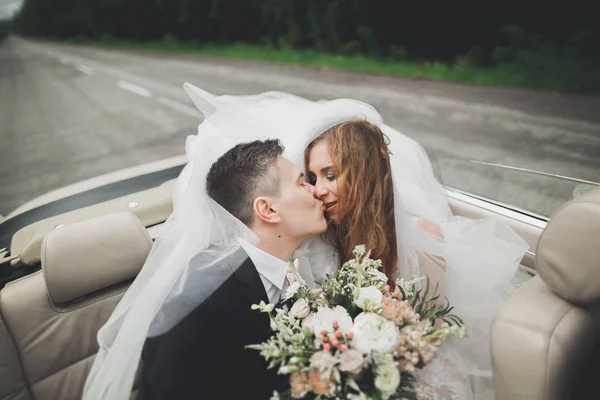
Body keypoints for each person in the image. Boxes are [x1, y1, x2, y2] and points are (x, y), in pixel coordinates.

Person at [83, 84, 529, 399]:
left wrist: (378, 363)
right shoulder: (302, 255)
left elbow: (431, 335)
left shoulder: (408, 242)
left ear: (368, 170)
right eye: (309, 179)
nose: (318, 190)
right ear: (267, 210)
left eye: (329, 175)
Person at [137, 139, 327, 399]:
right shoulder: (199, 304)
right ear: (268, 209)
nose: (316, 191)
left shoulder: (281, 271)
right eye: (301, 182)